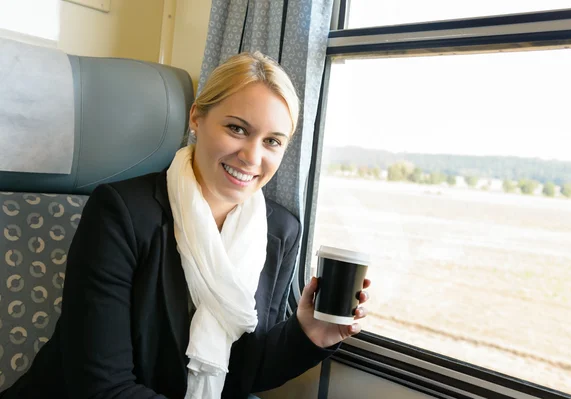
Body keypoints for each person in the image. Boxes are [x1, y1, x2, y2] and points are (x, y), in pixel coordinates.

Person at [0, 52, 370, 399]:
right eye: (237, 129)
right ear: (196, 118)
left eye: (272, 141)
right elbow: (101, 387)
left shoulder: (279, 233)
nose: (252, 156)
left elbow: (242, 373)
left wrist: (311, 333)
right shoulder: (119, 213)